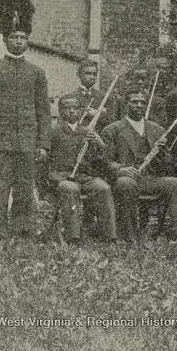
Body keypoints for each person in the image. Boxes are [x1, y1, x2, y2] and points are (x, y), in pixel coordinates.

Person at [101, 89, 177, 243]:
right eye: (134, 102)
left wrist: (163, 152)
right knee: (125, 183)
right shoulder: (112, 130)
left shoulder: (157, 129)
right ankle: (130, 236)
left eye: (142, 102)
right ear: (125, 104)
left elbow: (167, 166)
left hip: (151, 179)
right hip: (128, 179)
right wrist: (121, 170)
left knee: (176, 184)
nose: (139, 105)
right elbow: (105, 162)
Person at [0, 0, 51, 238]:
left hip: (28, 140)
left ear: (28, 41)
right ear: (5, 39)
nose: (18, 41)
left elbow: (44, 111)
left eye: (23, 37)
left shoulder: (37, 73)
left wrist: (43, 143)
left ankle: (22, 228)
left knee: (25, 187)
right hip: (1, 140)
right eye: (14, 37)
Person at [49, 95, 116, 243]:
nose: (72, 111)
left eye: (75, 108)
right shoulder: (53, 131)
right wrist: (53, 177)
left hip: (84, 176)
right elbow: (46, 160)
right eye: (67, 108)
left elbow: (99, 160)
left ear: (80, 111)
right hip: (62, 176)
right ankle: (74, 236)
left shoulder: (87, 131)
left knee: (103, 188)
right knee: (70, 188)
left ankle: (109, 236)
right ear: (60, 111)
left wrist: (99, 144)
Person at [68, 59, 117, 130]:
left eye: (94, 74)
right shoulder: (70, 97)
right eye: (88, 73)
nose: (92, 77)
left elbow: (112, 123)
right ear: (79, 75)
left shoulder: (105, 97)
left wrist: (97, 114)